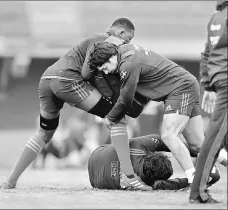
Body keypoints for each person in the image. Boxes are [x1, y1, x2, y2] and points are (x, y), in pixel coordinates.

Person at [2, 18, 150, 191]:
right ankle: (129, 177)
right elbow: (86, 73)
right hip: (67, 80)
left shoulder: (94, 40)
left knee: (44, 133)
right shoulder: (109, 41)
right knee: (117, 118)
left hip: (47, 80)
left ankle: (10, 181)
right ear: (120, 32)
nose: (128, 43)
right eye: (128, 38)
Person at [87, 41, 227, 186]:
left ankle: (194, 179)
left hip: (180, 89)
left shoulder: (127, 65)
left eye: (105, 67)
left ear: (111, 58)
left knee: (168, 135)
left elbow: (126, 99)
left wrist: (111, 117)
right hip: (186, 85)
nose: (106, 72)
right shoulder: (125, 51)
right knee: (197, 144)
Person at [189, 0, 228, 204]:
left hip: (220, 79)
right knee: (215, 137)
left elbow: (206, 53)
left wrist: (208, 84)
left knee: (219, 134)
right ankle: (198, 192)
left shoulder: (216, 17)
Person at [88, 134, 220, 190]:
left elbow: (166, 142)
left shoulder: (140, 145)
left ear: (152, 155)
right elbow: (175, 184)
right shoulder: (146, 184)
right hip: (96, 182)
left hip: (95, 156)